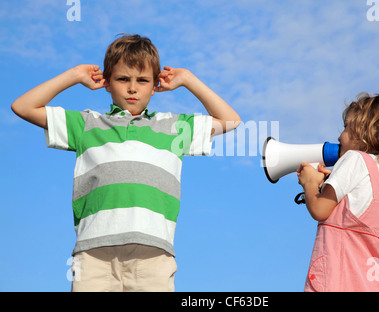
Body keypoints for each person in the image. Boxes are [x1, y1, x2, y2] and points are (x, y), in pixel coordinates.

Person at [11, 34, 241, 292]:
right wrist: (75, 75)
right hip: (93, 255)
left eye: (142, 80)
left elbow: (231, 120)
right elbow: (23, 106)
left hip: (153, 254)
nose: (133, 88)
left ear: (155, 85)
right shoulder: (86, 124)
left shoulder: (175, 127)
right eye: (123, 79)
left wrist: (187, 79)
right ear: (107, 82)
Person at [297, 93, 379, 292]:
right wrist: (336, 181)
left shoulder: (354, 158)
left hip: (337, 280)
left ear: (368, 133)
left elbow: (320, 209)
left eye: (347, 126)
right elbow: (359, 206)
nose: (340, 135)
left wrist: (310, 183)